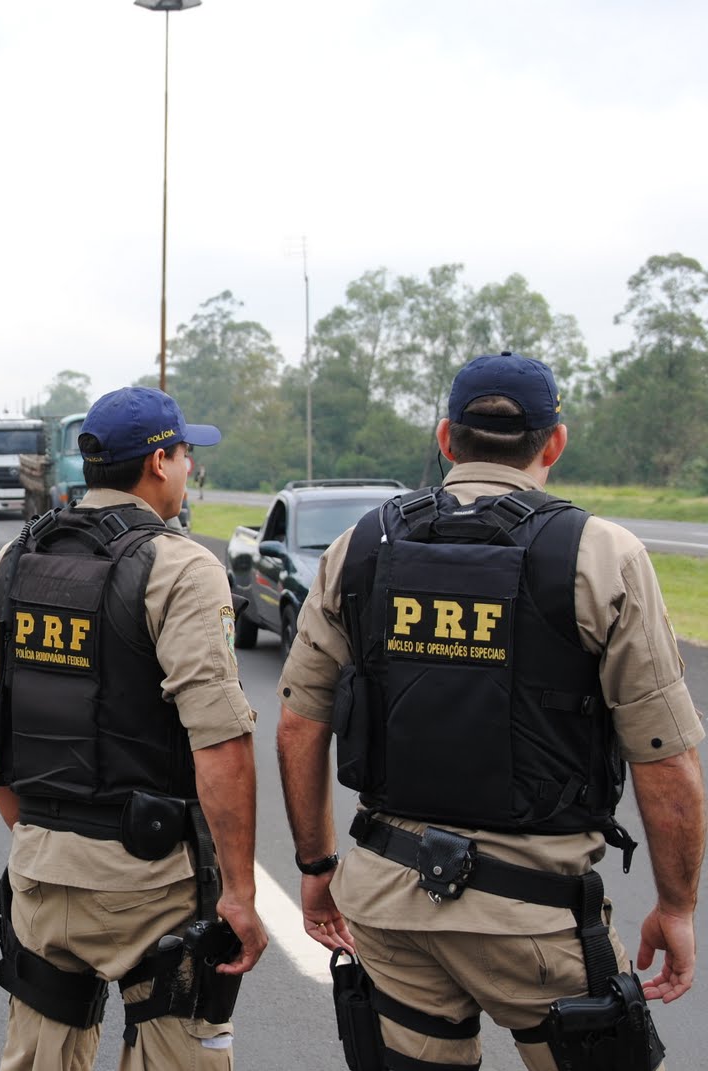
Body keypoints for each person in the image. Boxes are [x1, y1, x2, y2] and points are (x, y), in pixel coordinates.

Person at [276, 352, 703, 1071]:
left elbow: (298, 724)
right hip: (536, 916)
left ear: (447, 439)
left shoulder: (361, 547)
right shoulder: (602, 555)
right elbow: (664, 755)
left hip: (388, 900)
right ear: (554, 442)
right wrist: (677, 905)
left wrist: (317, 867)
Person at [0, 386, 266, 1070]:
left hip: (41, 872)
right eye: (188, 455)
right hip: (153, 885)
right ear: (159, 462)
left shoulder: (9, 566)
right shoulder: (182, 568)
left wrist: (35, 827)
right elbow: (219, 743)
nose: (191, 470)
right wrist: (240, 893)